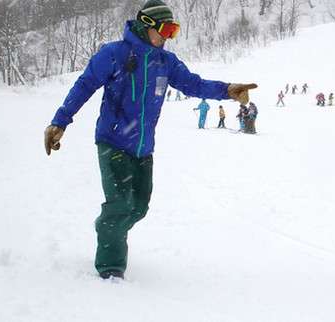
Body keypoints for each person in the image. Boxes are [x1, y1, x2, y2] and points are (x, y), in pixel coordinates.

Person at [43, 0, 257, 280]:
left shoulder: (165, 62)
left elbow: (193, 84)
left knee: (139, 207)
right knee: (120, 205)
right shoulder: (114, 54)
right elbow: (83, 86)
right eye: (166, 29)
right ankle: (110, 269)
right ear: (147, 26)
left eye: (174, 31)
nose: (168, 37)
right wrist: (60, 122)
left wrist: (227, 90)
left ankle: (109, 226)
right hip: (113, 140)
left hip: (144, 147)